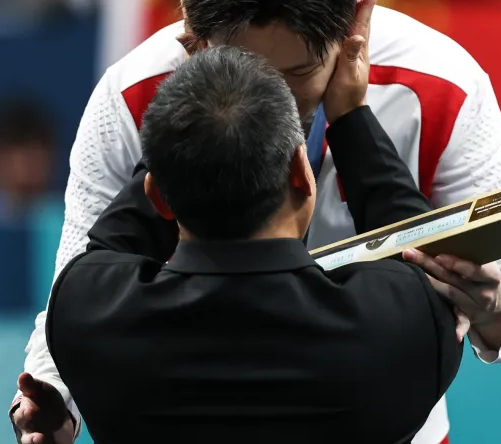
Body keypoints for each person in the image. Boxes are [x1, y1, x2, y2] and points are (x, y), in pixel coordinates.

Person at [12, 0, 501, 444]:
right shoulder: (130, 97)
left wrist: (499, 310)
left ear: (356, 13)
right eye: (240, 68)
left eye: (299, 74)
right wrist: (54, 398)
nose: (268, 102)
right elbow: (76, 287)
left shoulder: (446, 87)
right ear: (191, 22)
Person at [40, 40, 462, 444]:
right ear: (301, 171)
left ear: (156, 197)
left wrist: (196, 101)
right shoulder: (405, 323)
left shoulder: (86, 313)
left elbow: (112, 243)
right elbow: (422, 251)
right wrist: (350, 116)